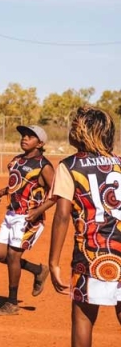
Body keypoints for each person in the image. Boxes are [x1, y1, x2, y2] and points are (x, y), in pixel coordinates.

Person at [49, 106, 121, 346]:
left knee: (82, 317)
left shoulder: (69, 166)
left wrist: (53, 262)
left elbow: (61, 216)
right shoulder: (120, 163)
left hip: (91, 254)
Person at [0, 124, 54, 316]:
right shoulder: (16, 161)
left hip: (28, 217)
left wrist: (38, 211)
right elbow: (17, 183)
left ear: (40, 143)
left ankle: (12, 302)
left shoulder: (44, 166)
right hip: (11, 214)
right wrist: (4, 191)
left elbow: (56, 193)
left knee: (13, 256)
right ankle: (37, 270)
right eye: (23, 135)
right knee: (0, 254)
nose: (24, 138)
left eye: (30, 136)